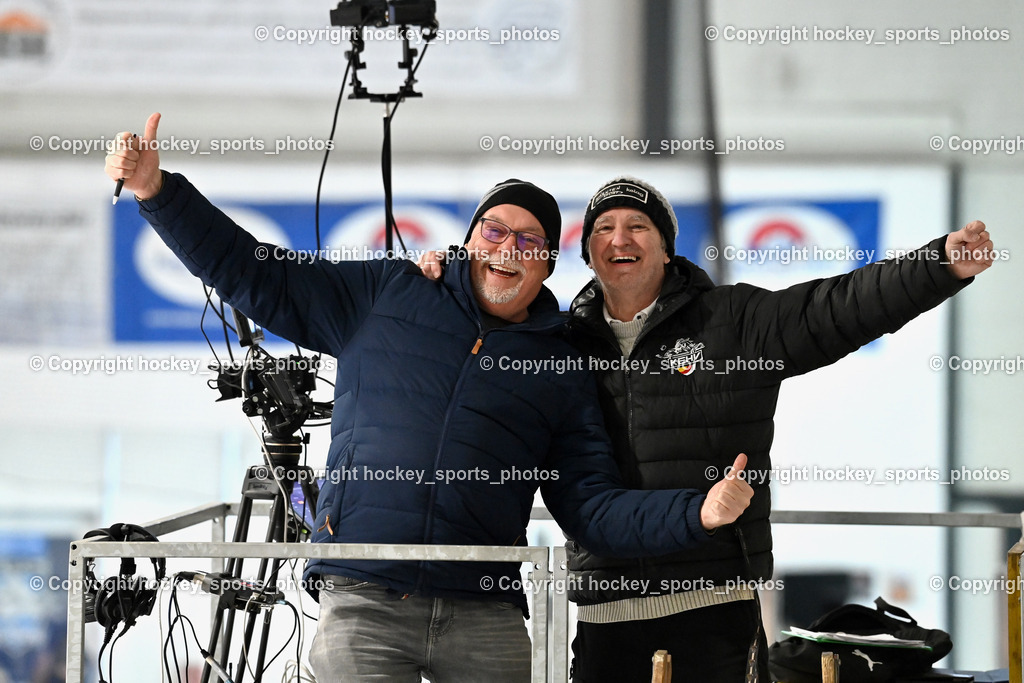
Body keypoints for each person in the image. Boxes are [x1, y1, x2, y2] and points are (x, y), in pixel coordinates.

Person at [104, 115, 755, 682]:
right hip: (365, 593)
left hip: (484, 606)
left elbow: (591, 507)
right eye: (495, 230)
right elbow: (254, 271)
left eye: (528, 242)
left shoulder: (560, 364)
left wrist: (698, 512)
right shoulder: (389, 293)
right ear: (470, 238)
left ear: (547, 266)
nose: (508, 248)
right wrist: (158, 192)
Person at [564, 176, 994, 682]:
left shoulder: (731, 321)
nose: (621, 238)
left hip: (713, 610)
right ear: (588, 251)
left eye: (638, 226)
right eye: (605, 227)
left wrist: (938, 265)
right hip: (603, 619)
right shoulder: (562, 343)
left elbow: (837, 308)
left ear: (666, 249)